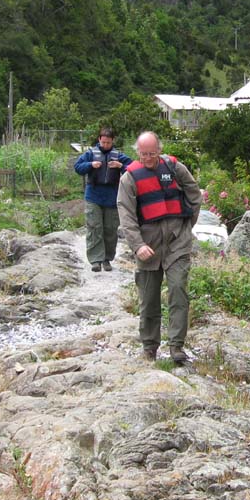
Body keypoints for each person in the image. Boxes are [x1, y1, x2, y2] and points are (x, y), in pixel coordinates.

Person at [117, 131, 202, 364]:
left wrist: (186, 228)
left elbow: (195, 196)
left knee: (178, 291)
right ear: (137, 152)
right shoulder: (130, 178)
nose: (148, 158)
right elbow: (126, 216)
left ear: (159, 150)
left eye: (152, 153)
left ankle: (176, 347)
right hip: (148, 246)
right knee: (149, 298)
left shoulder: (175, 168)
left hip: (177, 243)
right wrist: (137, 245)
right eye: (144, 154)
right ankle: (150, 347)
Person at [74, 127, 132, 272]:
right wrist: (90, 165)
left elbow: (133, 169)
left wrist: (121, 166)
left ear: (113, 141)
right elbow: (78, 167)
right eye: (103, 142)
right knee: (94, 227)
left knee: (110, 229)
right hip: (93, 195)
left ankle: (107, 259)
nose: (105, 145)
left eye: (108, 142)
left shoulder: (118, 155)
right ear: (99, 139)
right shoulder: (90, 154)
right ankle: (95, 260)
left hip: (112, 197)